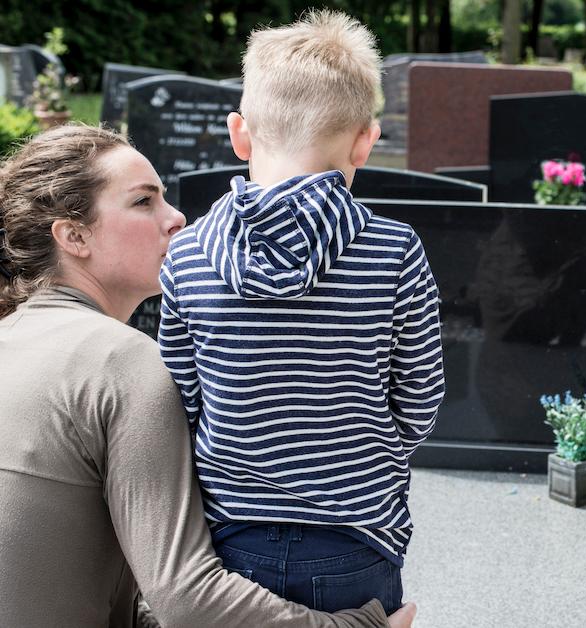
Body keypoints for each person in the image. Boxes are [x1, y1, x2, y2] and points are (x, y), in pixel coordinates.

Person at [0, 125, 416, 627]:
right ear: (74, 236)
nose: (176, 218)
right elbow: (188, 598)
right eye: (143, 202)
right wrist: (359, 626)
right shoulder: (122, 362)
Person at [157, 10, 445, 612]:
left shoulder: (186, 255)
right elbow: (419, 397)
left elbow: (181, 399)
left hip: (231, 539)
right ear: (366, 140)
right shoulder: (393, 250)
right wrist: (368, 452)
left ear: (239, 134)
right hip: (356, 535)